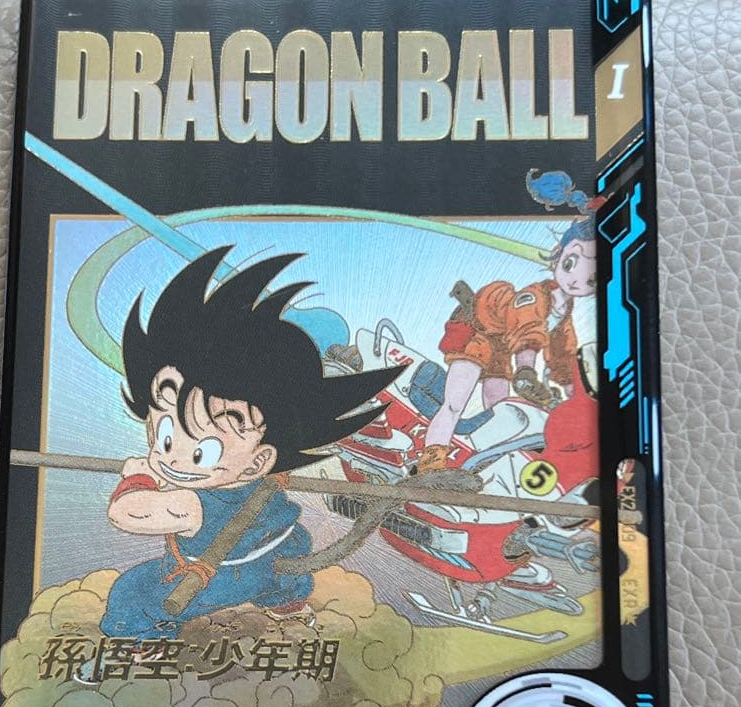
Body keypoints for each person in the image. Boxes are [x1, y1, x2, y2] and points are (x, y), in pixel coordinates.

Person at [99, 245, 404, 643]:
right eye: (165, 436)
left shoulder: (191, 504)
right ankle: (287, 602)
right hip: (283, 554)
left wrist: (137, 478)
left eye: (200, 452)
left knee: (132, 592)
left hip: (225, 577)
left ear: (260, 461)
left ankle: (142, 641)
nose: (168, 457)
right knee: (286, 550)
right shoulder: (255, 473)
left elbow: (128, 514)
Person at [417, 170, 601, 473]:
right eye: (571, 263)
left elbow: (562, 356)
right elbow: (527, 332)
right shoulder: (534, 296)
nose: (577, 280)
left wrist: (575, 400)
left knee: (500, 410)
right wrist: (526, 371)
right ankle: (431, 462)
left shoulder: (563, 314)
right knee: (455, 402)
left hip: (501, 349)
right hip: (477, 337)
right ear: (559, 256)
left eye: (591, 278)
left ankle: (484, 464)